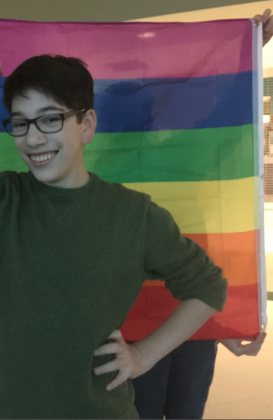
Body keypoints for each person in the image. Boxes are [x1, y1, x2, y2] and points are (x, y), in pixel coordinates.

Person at [0, 43, 227, 418]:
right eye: (21, 123)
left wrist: (143, 355)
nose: (33, 138)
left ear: (86, 125)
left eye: (50, 119)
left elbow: (207, 286)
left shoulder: (134, 215)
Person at [132, 9, 272, 419]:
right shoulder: (119, 173)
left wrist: (250, 47)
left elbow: (227, 109)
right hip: (139, 322)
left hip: (193, 322)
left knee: (187, 412)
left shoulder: (193, 162)